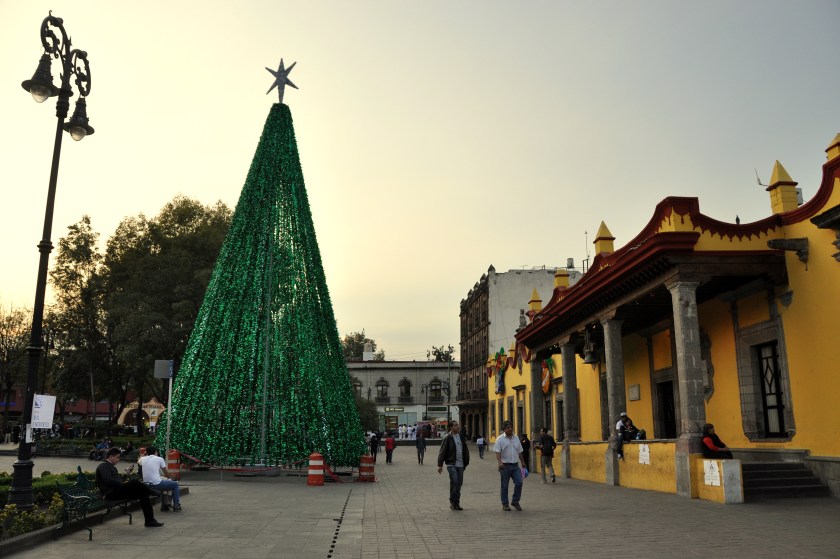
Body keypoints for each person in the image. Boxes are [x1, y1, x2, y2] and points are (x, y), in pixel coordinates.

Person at [95, 447, 164, 527]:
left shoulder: (111, 467)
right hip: (109, 494)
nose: (118, 459)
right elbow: (108, 480)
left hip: (117, 491)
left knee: (143, 494)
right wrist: (123, 485)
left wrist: (126, 474)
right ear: (111, 457)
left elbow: (117, 480)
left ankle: (150, 521)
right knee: (134, 482)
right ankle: (151, 491)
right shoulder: (103, 466)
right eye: (117, 457)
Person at [437, 420, 470, 511]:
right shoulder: (447, 437)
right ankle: (452, 502)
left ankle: (457, 503)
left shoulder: (461, 437)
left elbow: (465, 449)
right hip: (451, 463)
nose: (457, 427)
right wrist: (440, 465)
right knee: (454, 481)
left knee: (459, 484)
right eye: (455, 425)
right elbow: (442, 451)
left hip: (461, 464)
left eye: (457, 425)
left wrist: (466, 461)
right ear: (451, 427)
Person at [494, 421, 525, 511]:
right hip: (505, 466)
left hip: (515, 465)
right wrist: (500, 463)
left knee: (519, 482)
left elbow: (519, 451)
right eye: (508, 427)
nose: (510, 429)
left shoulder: (516, 438)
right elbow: (497, 452)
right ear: (504, 429)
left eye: (511, 427)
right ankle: (505, 504)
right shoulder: (500, 439)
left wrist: (523, 462)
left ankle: (515, 500)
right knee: (504, 485)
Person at [139, 446, 182, 511]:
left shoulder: (143, 459)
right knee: (175, 484)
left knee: (166, 482)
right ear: (156, 452)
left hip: (146, 484)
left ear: (147, 452)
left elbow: (138, 461)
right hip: (156, 484)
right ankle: (176, 505)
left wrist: (144, 454)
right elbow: (166, 473)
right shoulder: (160, 459)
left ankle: (165, 505)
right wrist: (171, 477)